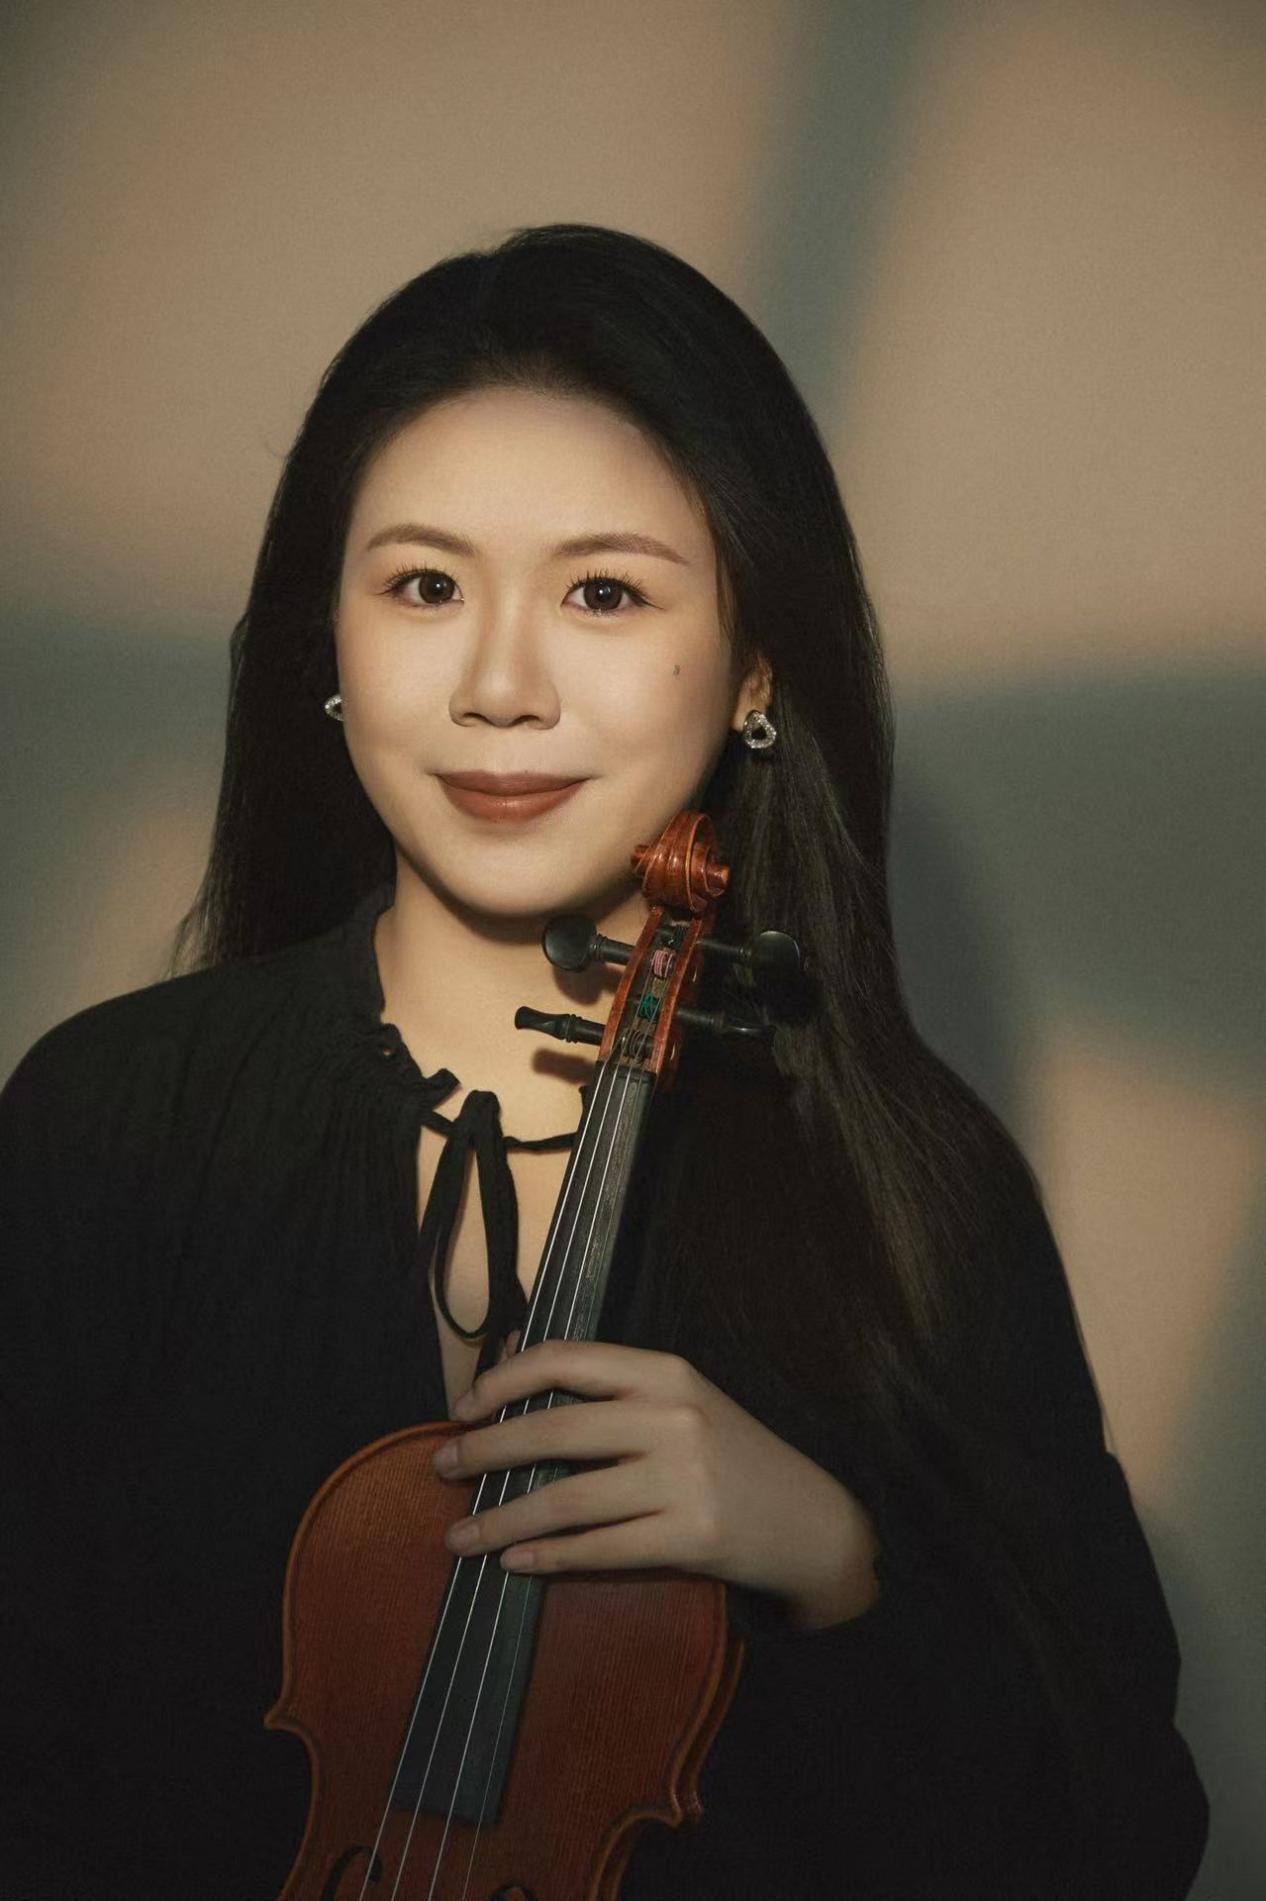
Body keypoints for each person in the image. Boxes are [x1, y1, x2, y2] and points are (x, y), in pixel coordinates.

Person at [1, 223, 1208, 1899]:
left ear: (755, 662)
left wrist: (836, 1562)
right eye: (424, 586)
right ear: (326, 645)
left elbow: (1117, 1839)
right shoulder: (114, 1123)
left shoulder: (912, 1187)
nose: (500, 688)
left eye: (604, 592)